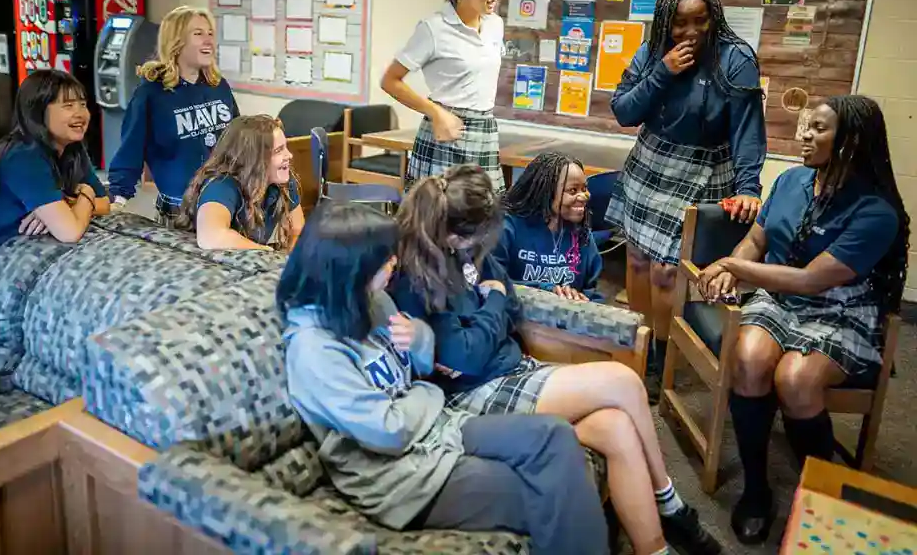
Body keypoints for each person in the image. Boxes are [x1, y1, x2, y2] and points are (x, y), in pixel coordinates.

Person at [390, 165, 722, 555]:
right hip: (469, 396)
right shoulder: (420, 277)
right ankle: (671, 503)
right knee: (624, 382)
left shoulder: (472, 256)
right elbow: (470, 355)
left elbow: (509, 307)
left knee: (615, 426)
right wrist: (491, 303)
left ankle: (656, 549)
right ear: (454, 233)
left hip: (506, 369)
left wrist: (488, 314)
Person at [278, 201, 609, 554]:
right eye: (384, 259)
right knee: (545, 493)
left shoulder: (374, 303)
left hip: (437, 430)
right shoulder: (314, 351)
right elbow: (387, 431)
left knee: (554, 435)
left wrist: (419, 337)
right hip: (398, 476)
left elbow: (419, 367)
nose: (394, 263)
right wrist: (424, 393)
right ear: (351, 270)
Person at [697, 95, 909, 545]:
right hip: (777, 298)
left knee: (796, 380)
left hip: (841, 308)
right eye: (805, 126)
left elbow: (813, 281)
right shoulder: (791, 180)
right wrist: (732, 265)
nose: (805, 136)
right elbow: (756, 240)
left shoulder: (876, 212)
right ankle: (757, 490)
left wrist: (733, 268)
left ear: (850, 141)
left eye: (818, 128)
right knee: (751, 358)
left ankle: (819, 494)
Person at [606, 0, 767, 401]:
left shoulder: (736, 59)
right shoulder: (653, 52)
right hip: (650, 163)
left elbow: (748, 131)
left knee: (666, 272)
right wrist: (662, 72)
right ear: (666, 22)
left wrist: (750, 185)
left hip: (703, 167)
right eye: (681, 23)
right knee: (638, 263)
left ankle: (660, 359)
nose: (691, 32)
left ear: (714, 19)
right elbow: (623, 110)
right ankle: (639, 348)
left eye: (701, 21)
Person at [380, 0, 510, 192]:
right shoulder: (433, 29)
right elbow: (390, 80)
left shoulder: (495, 24)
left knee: (486, 219)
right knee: (436, 219)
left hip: (484, 132)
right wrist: (436, 112)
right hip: (445, 134)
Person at [0, 70, 110, 279]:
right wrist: (85, 194)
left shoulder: (72, 149)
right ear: (38, 112)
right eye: (68, 105)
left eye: (82, 104)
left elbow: (105, 203)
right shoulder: (24, 157)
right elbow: (70, 231)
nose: (80, 113)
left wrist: (67, 203)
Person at [108, 5, 240, 224]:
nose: (208, 40)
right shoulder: (151, 92)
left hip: (224, 204)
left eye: (210, 34)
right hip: (179, 212)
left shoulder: (219, 86)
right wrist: (118, 198)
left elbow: (238, 138)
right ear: (176, 42)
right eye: (198, 34)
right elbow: (130, 149)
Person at [176, 115, 303, 251]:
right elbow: (211, 235)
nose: (289, 155)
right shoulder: (222, 185)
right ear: (253, 158)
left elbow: (297, 229)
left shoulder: (283, 180)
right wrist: (267, 253)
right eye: (279, 151)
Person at [496, 152, 603, 301]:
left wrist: (584, 301)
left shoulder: (581, 234)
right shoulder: (508, 228)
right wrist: (547, 291)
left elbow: (592, 293)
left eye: (584, 189)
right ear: (546, 192)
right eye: (573, 190)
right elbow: (491, 283)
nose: (584, 196)